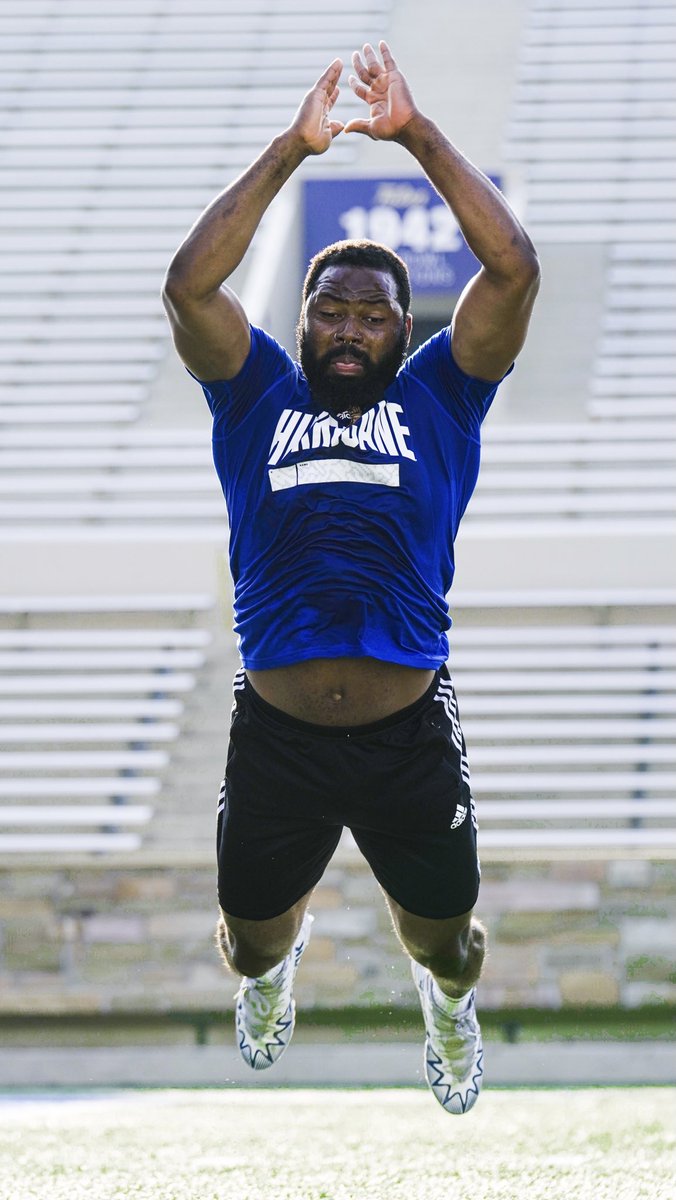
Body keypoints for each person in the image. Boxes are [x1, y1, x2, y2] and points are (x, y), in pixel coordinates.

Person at [162, 41, 539, 1115]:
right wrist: (295, 148)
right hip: (278, 735)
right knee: (246, 944)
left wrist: (414, 135)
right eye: (331, 310)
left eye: (373, 316)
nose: (349, 330)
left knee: (448, 943)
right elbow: (189, 285)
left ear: (403, 331)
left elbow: (514, 271)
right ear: (302, 318)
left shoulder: (439, 398)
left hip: (404, 734)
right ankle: (272, 977)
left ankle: (448, 1010)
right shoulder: (256, 395)